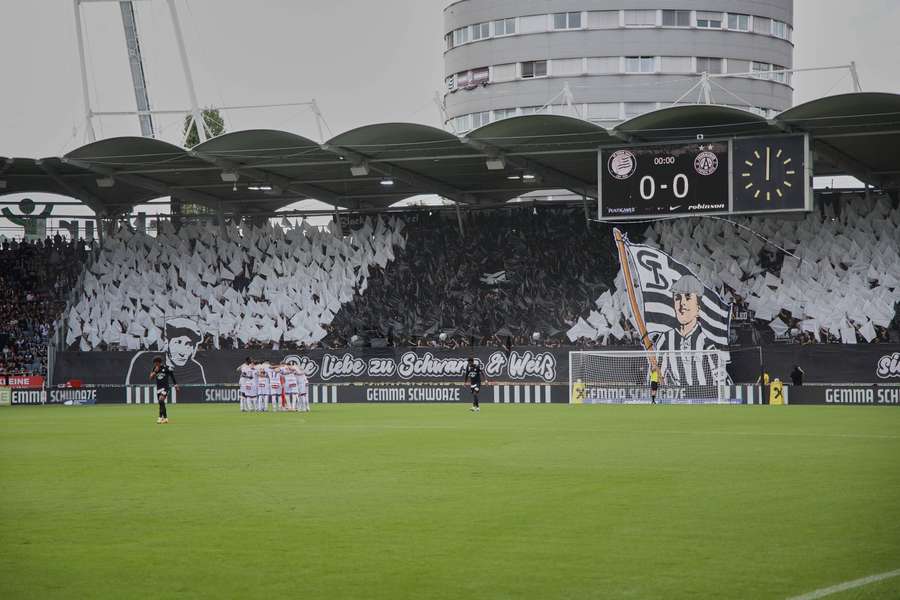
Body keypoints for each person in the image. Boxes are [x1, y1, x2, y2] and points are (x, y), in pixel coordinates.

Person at [652, 275, 720, 387]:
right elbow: (656, 374)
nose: (682, 303)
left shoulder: (707, 338)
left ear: (699, 308)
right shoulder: (665, 339)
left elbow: (720, 377)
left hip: (705, 398)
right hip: (678, 400)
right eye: (678, 298)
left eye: (688, 298)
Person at [125, 317, 207, 385]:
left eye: (189, 344)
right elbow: (132, 391)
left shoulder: (195, 368)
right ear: (167, 342)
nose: (182, 353)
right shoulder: (144, 360)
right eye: (178, 342)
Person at [150, 356, 177, 424]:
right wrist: (155, 372)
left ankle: (159, 418)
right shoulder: (154, 368)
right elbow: (151, 378)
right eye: (154, 363)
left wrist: (176, 385)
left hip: (165, 387)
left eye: (156, 363)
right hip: (158, 388)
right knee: (161, 403)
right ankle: (165, 418)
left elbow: (172, 376)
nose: (155, 364)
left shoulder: (166, 368)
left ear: (159, 362)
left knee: (161, 400)